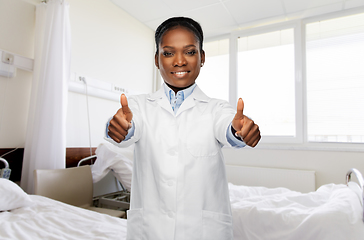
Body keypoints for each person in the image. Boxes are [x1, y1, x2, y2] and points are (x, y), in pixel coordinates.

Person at [105, 17, 260, 240]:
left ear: (202, 57)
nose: (179, 61)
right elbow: (130, 125)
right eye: (168, 53)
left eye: (189, 52)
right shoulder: (138, 106)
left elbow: (226, 125)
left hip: (202, 232)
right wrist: (120, 128)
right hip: (151, 230)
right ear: (157, 60)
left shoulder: (216, 108)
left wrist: (239, 131)